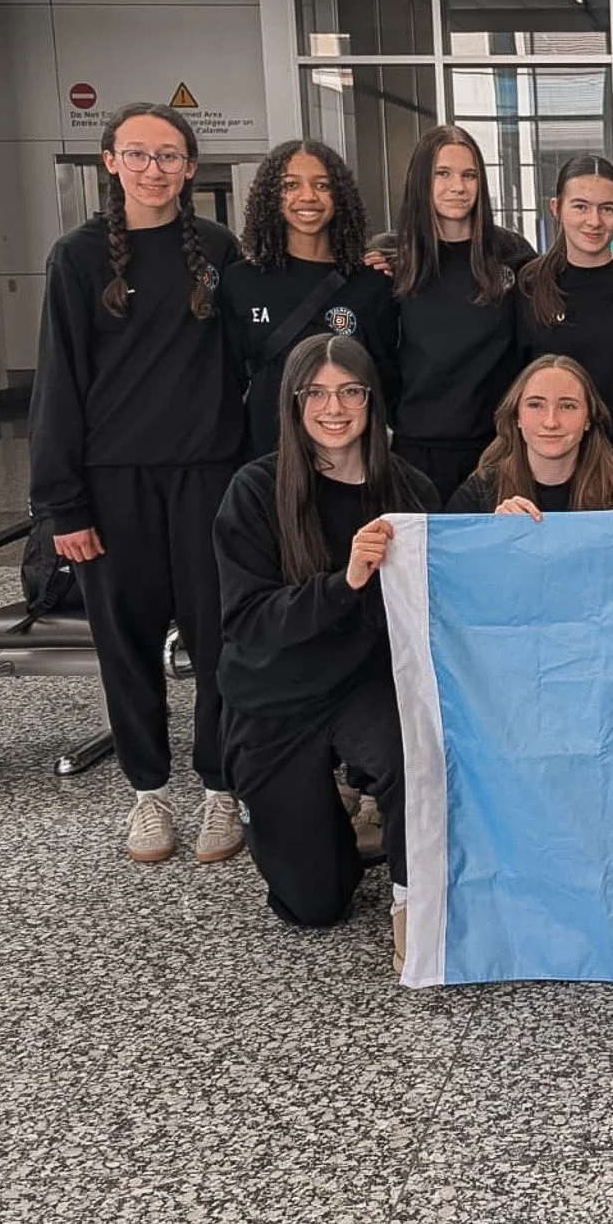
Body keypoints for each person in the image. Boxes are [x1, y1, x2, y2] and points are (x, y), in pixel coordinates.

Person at [29, 101, 246, 864]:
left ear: (190, 167)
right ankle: (147, 794)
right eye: (138, 154)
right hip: (113, 483)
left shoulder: (220, 250)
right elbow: (57, 383)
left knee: (221, 640)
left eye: (169, 155)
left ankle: (222, 788)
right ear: (110, 163)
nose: (154, 169)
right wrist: (63, 502)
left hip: (210, 477)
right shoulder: (77, 257)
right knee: (126, 644)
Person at [213, 336, 439, 968]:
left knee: (410, 753)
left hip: (362, 686)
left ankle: (409, 895)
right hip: (274, 697)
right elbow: (248, 621)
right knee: (314, 902)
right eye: (315, 392)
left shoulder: (410, 489)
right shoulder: (255, 491)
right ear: (293, 402)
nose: (332, 407)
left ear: (372, 399)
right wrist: (344, 584)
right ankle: (330, 809)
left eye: (349, 391)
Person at [385, 124, 536, 504]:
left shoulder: (512, 254)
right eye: (443, 174)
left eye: (469, 175)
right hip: (419, 452)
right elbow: (379, 359)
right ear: (421, 179)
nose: (458, 186)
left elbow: (531, 347)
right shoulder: (395, 263)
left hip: (497, 450)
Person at [220, 139, 398, 456]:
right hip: (268, 456)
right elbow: (228, 382)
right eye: (290, 185)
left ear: (339, 197)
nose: (308, 196)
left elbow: (384, 380)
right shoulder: (240, 281)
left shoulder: (370, 283)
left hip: (348, 459)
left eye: (322, 185)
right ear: (272, 197)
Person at [513, 155, 613, 466]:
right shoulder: (530, 286)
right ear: (556, 209)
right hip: (557, 468)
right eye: (581, 206)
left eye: (607, 208)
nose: (594, 221)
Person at [446, 355, 613, 516]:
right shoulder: (478, 495)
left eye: (567, 406)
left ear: (589, 419)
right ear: (517, 417)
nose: (551, 422)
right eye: (535, 405)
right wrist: (493, 535)